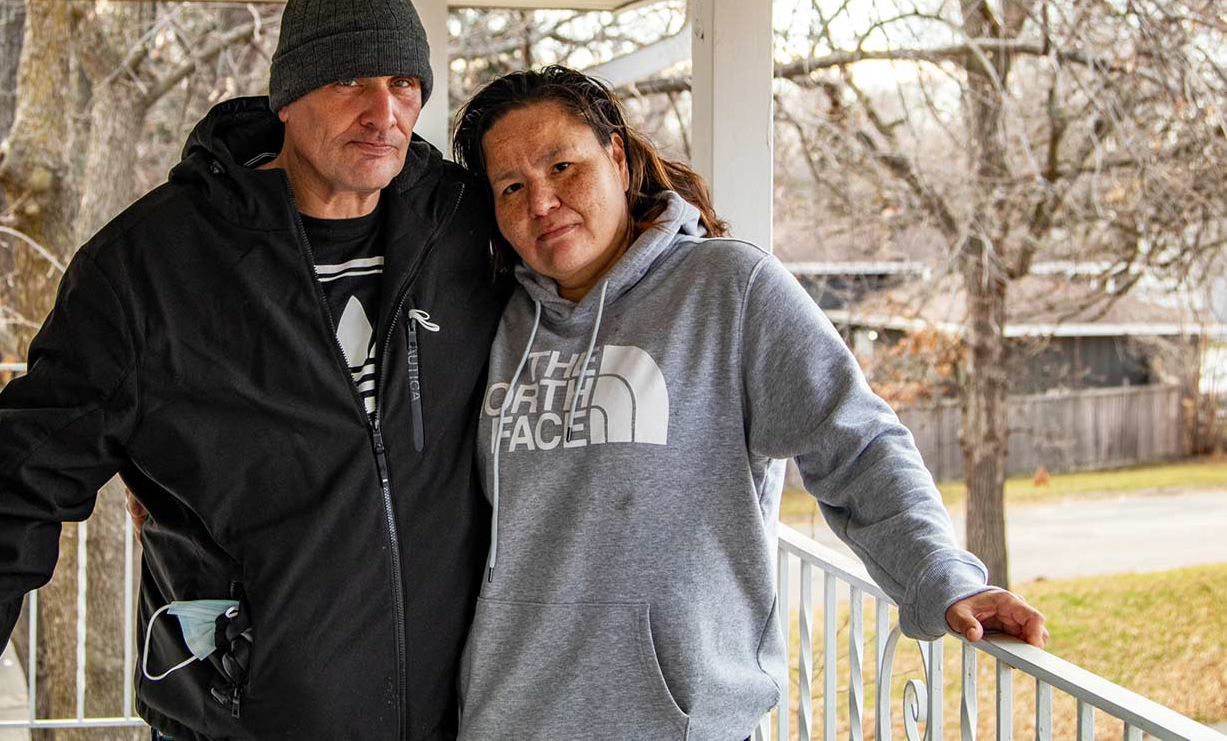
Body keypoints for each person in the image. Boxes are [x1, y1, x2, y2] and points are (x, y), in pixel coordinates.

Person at [0, 0, 506, 741]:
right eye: (349, 81)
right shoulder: (151, 268)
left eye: (403, 83)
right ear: (288, 96)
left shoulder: (468, 231)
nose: (384, 112)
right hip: (241, 719)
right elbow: (18, 486)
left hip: (455, 718)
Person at [448, 66, 1047, 741]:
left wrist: (941, 575)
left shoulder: (728, 289)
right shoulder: (494, 322)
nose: (542, 201)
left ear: (616, 156)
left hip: (673, 723)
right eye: (512, 186)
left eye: (563, 167)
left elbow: (857, 446)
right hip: (508, 718)